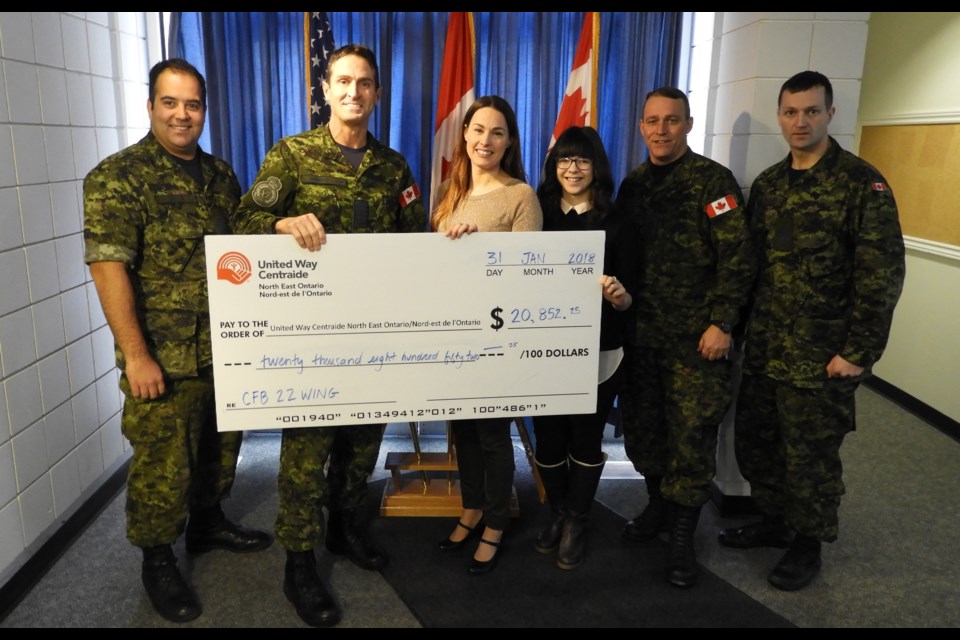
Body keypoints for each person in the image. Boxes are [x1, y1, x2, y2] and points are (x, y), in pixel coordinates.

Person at [230, 44, 425, 627]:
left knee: (361, 446)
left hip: (371, 338)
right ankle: (298, 560)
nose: (353, 93)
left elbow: (419, 245)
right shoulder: (291, 155)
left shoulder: (393, 169)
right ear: (325, 89)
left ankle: (342, 529)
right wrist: (281, 222)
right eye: (343, 81)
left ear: (376, 94)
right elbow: (243, 222)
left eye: (364, 83)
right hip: (309, 341)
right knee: (306, 454)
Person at [83, 58, 272, 624]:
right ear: (150, 107)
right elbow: (108, 268)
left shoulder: (220, 176)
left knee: (219, 447)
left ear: (204, 111)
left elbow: (243, 254)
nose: (182, 114)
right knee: (164, 463)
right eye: (170, 102)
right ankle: (158, 558)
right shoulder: (117, 177)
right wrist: (137, 357)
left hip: (224, 345)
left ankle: (210, 523)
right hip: (163, 355)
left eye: (192, 104)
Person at [718, 71, 905, 591]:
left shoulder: (860, 184)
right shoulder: (772, 185)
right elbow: (754, 266)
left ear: (830, 114)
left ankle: (808, 544)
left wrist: (858, 352)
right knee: (760, 446)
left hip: (822, 358)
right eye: (791, 112)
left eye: (811, 111)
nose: (800, 122)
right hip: (767, 350)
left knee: (811, 459)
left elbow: (883, 274)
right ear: (780, 116)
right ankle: (777, 523)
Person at [616, 87, 757, 588]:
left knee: (692, 442)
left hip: (697, 344)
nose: (661, 130)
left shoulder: (711, 182)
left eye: (671, 121)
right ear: (640, 126)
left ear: (688, 124)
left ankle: (681, 538)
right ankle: (657, 506)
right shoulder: (632, 185)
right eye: (652, 121)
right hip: (642, 338)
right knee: (646, 434)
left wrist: (723, 323)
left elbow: (738, 259)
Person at [432, 95, 543, 575]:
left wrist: (481, 246)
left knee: (495, 435)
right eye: (478, 130)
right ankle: (472, 506)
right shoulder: (449, 193)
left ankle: (496, 520)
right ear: (465, 135)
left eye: (497, 132)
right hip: (454, 334)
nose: (485, 140)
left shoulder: (521, 195)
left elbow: (529, 272)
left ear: (509, 141)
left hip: (498, 337)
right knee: (467, 434)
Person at [531, 126, 635, 570]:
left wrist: (619, 296)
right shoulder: (537, 214)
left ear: (597, 167)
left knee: (586, 438)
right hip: (541, 350)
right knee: (549, 441)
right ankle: (557, 513)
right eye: (564, 161)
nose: (572, 169)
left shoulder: (619, 220)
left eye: (582, 161)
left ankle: (578, 519)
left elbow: (633, 296)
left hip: (600, 350)